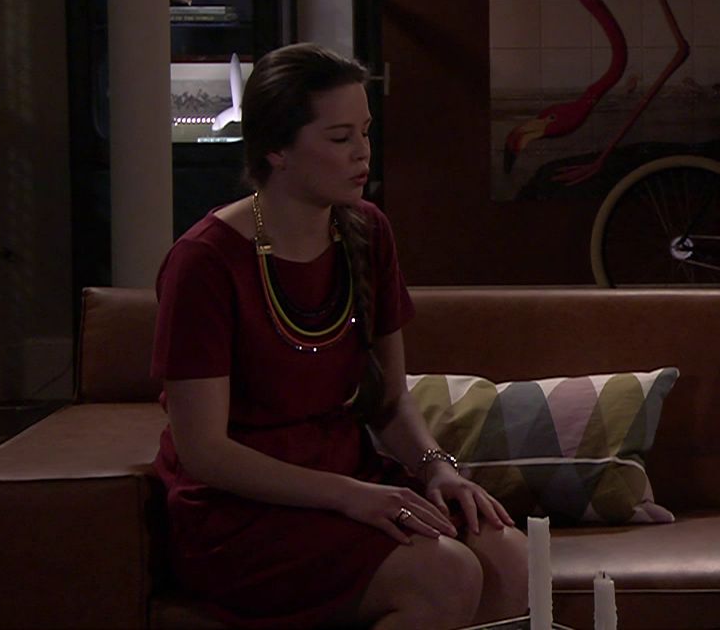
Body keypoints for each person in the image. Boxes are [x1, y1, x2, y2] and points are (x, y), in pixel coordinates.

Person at [152, 43, 526, 628]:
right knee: (446, 575)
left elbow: (390, 401)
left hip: (353, 478)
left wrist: (437, 468)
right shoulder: (205, 261)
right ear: (276, 149)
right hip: (243, 508)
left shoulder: (367, 232)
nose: (362, 153)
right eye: (339, 137)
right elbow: (205, 453)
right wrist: (349, 496)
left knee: (510, 559)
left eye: (366, 133)